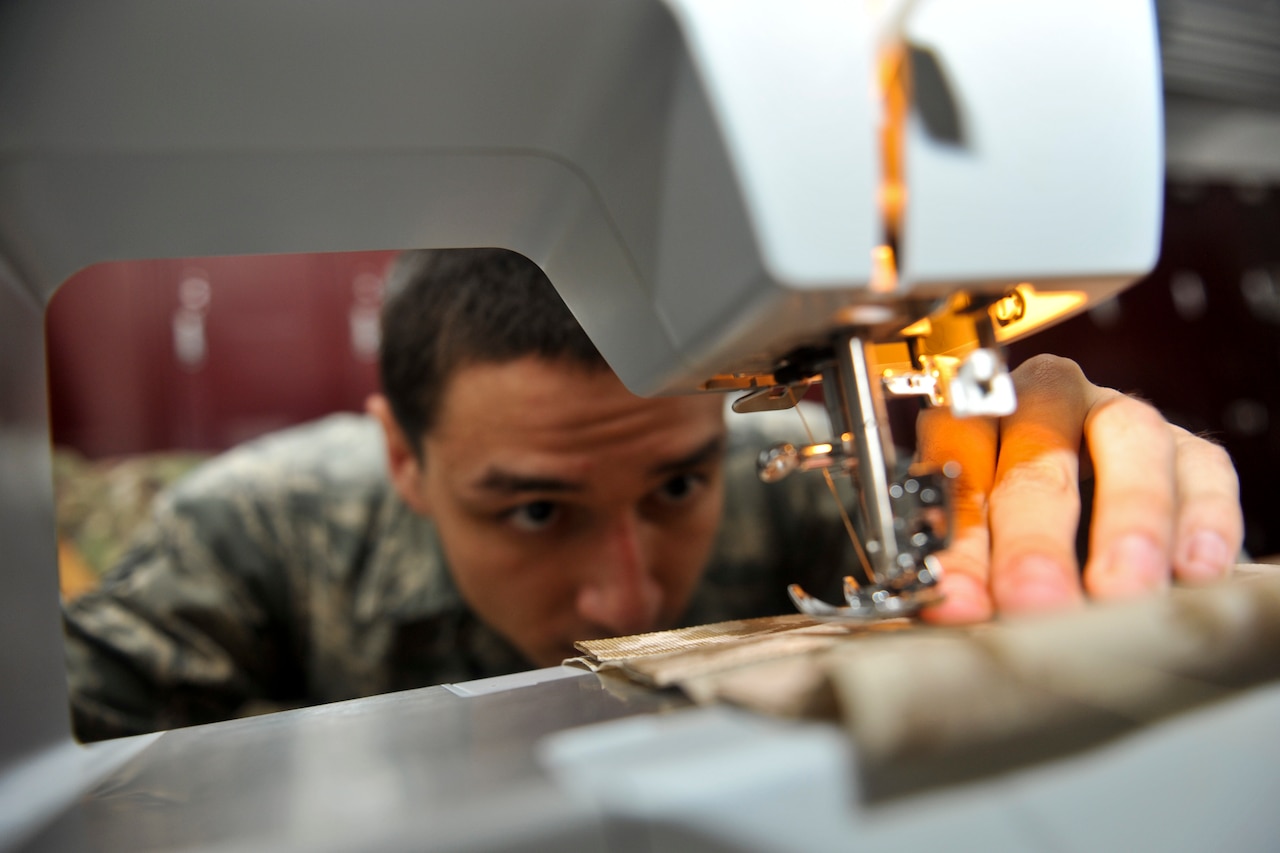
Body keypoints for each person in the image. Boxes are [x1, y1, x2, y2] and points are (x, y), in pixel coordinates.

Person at [62, 249, 1243, 741]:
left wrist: (1075, 509)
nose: (626, 591)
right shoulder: (253, 529)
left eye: (677, 483)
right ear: (402, 459)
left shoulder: (782, 477)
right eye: (533, 509)